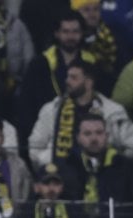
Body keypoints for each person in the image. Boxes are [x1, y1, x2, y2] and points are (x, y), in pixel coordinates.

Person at [27, 60, 133, 169]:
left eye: (74, 78)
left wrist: (113, 166)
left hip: (103, 177)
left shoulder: (113, 111)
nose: (67, 81)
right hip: (61, 178)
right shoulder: (52, 109)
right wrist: (51, 164)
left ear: (88, 82)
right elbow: (35, 146)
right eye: (68, 76)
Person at [17, 10, 95, 139]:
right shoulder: (39, 64)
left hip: (84, 132)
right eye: (65, 31)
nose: (70, 36)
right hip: (46, 132)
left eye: (75, 32)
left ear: (82, 34)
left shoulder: (91, 63)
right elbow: (26, 105)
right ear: (57, 33)